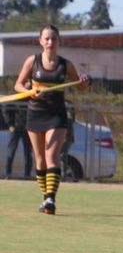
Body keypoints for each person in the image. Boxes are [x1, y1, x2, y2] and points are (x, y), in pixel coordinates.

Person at [15, 24, 89, 215]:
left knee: (51, 155)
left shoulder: (66, 65)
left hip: (57, 115)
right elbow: (18, 85)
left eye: (54, 39)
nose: (50, 42)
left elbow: (80, 86)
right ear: (40, 41)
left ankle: (51, 199)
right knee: (39, 160)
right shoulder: (32, 61)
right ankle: (45, 197)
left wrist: (83, 82)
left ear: (59, 41)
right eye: (46, 39)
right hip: (35, 113)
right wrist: (30, 91)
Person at [4, 100, 33, 179]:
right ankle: (8, 174)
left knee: (28, 152)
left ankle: (27, 174)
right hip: (15, 128)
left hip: (26, 128)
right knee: (11, 151)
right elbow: (6, 112)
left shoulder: (29, 99)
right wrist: (10, 124)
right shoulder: (14, 99)